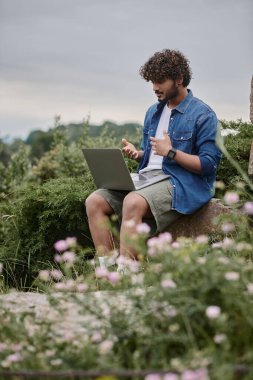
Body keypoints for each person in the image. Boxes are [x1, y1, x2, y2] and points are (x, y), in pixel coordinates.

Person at [85, 49, 222, 263]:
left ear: (178, 79)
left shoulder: (203, 115)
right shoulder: (153, 112)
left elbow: (208, 165)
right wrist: (139, 154)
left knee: (132, 201)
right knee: (94, 201)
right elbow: (153, 157)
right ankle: (107, 274)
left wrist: (171, 152)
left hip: (181, 182)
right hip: (149, 178)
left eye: (160, 81)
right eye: (152, 81)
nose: (155, 87)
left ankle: (128, 273)